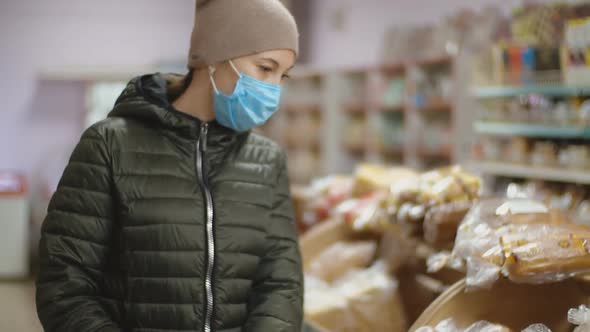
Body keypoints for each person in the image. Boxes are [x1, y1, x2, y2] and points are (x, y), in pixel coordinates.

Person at [35, 0, 304, 331]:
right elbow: (64, 285)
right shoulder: (109, 145)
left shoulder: (267, 159)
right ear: (214, 55)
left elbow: (281, 283)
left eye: (283, 75)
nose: (274, 88)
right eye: (265, 68)